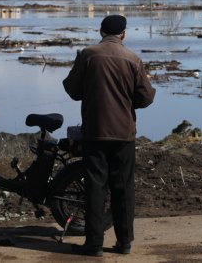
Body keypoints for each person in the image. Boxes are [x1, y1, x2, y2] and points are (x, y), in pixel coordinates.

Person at [62, 14, 156, 257]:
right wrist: (127, 99)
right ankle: (124, 243)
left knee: (95, 187)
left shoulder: (88, 55)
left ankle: (94, 244)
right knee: (123, 188)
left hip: (95, 132)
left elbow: (72, 90)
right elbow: (145, 98)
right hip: (124, 133)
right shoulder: (133, 60)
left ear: (101, 31)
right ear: (124, 35)